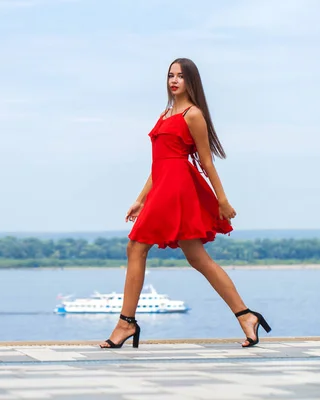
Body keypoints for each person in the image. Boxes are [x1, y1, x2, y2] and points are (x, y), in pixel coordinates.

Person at [100, 58, 271, 349]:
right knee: (196, 257)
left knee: (136, 246)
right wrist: (140, 199)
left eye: (180, 76)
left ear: (191, 81)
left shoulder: (193, 115)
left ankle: (125, 323)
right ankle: (246, 316)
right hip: (163, 186)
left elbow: (205, 161)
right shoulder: (165, 114)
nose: (174, 80)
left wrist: (222, 200)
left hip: (178, 188)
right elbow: (159, 164)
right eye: (170, 75)